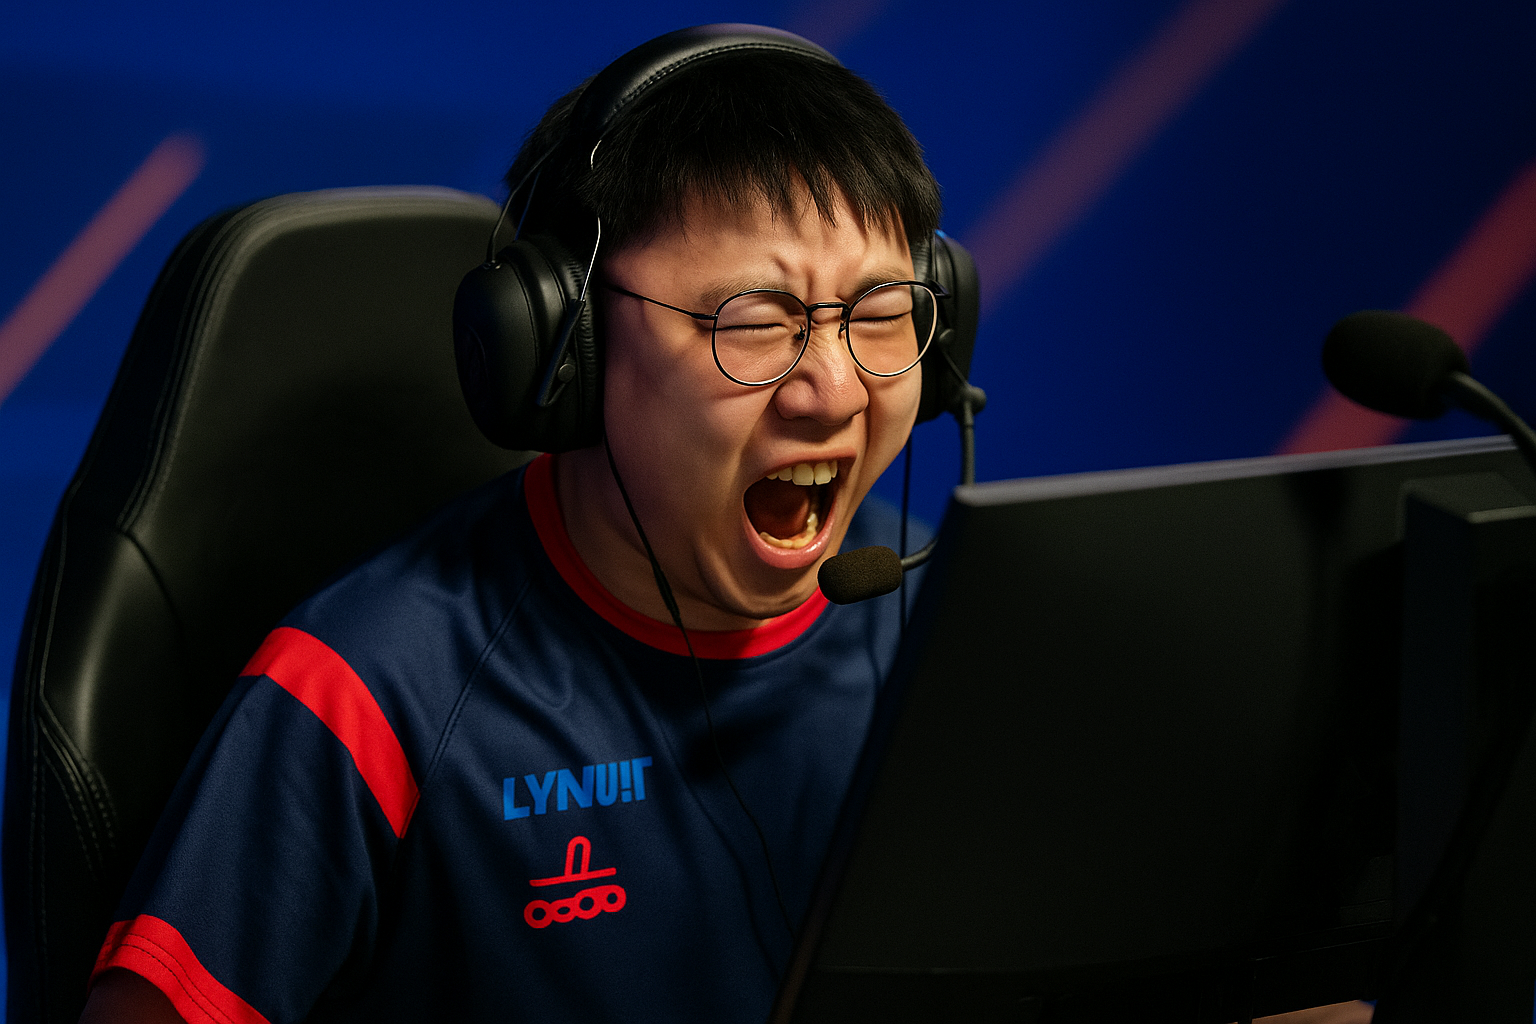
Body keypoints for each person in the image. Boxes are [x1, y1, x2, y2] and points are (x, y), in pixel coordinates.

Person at [79, 25, 945, 1024]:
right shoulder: (363, 694)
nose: (835, 389)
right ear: (568, 345)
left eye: (881, 314)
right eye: (754, 321)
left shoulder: (951, 622)